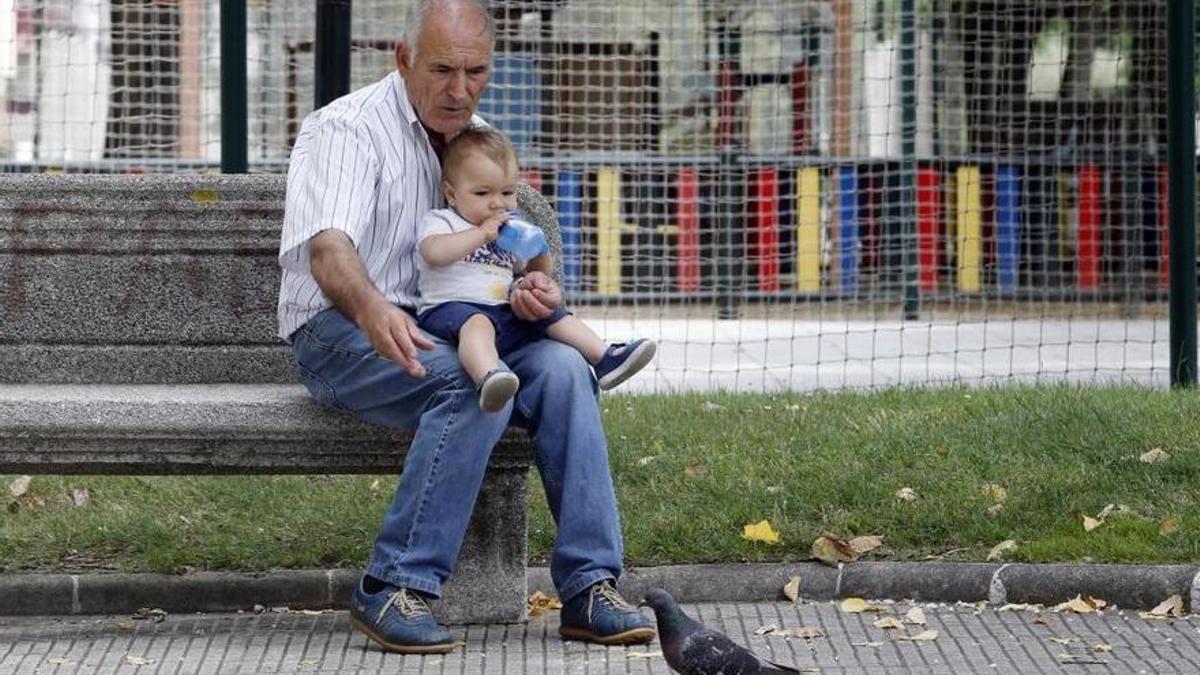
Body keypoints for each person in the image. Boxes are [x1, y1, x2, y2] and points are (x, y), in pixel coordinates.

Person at [276, 0, 655, 655]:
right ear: (403, 59)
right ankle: (392, 585)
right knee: (473, 382)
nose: (459, 90)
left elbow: (514, 250)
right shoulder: (344, 130)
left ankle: (591, 588)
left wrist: (535, 291)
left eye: (475, 71)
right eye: (443, 70)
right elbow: (329, 252)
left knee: (565, 369)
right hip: (341, 332)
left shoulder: (478, 141)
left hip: (458, 326)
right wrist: (375, 310)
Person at [417, 126, 656, 412]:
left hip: (503, 310)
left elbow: (536, 271)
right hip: (450, 309)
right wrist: (481, 234)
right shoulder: (444, 221)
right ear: (451, 194)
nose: (497, 203)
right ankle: (488, 377)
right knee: (477, 324)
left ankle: (604, 358)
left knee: (552, 316)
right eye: (482, 193)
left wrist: (539, 253)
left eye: (507, 192)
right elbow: (434, 254)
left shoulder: (508, 233)